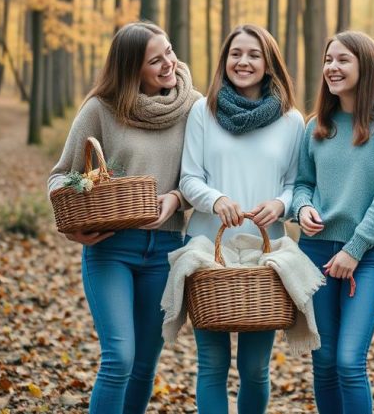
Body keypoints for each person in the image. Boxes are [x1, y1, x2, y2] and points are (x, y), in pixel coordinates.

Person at [49, 21, 202, 414]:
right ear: (131, 68)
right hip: (111, 248)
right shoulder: (101, 109)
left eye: (169, 51)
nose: (168, 63)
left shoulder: (193, 107)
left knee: (144, 365)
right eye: (155, 60)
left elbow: (202, 177)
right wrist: (74, 227)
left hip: (166, 248)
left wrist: (176, 199)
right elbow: (60, 176)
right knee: (119, 357)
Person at [179, 24, 304, 414]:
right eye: (236, 54)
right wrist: (216, 200)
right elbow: (188, 179)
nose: (243, 61)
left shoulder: (291, 120)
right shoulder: (204, 110)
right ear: (225, 60)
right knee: (212, 365)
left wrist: (280, 205)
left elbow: (296, 184)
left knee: (254, 368)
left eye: (253, 54)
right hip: (207, 251)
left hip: (264, 257)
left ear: (269, 64)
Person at [292, 30, 374, 414]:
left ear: (366, 65)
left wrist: (354, 248)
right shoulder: (317, 124)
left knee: (348, 361)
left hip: (366, 257)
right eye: (329, 59)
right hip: (312, 253)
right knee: (324, 362)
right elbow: (302, 183)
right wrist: (302, 209)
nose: (332, 67)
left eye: (343, 59)